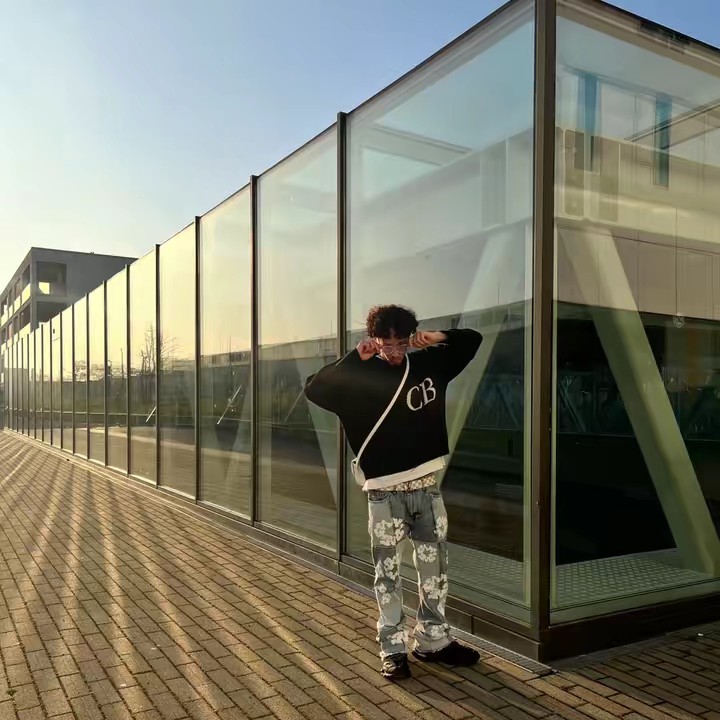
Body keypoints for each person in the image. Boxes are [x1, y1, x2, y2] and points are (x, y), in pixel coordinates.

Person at [304, 304, 483, 679]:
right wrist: (354, 358)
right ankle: (393, 648)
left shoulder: (428, 364)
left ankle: (433, 641)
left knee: (435, 571)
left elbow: (472, 341)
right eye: (387, 344)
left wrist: (437, 337)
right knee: (387, 574)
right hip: (384, 495)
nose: (395, 352)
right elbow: (315, 389)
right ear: (373, 339)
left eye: (402, 343)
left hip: (427, 489)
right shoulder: (357, 375)